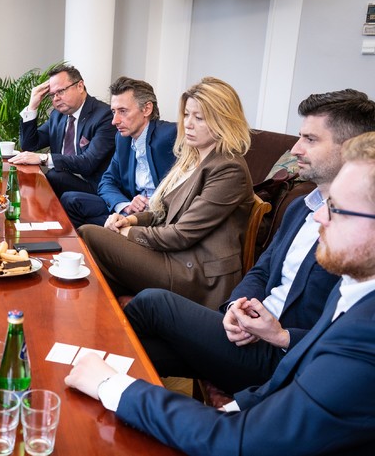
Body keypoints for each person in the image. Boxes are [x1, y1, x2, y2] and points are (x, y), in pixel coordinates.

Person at [66, 131, 375, 455]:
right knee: (145, 349)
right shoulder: (353, 286)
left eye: (338, 208)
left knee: (145, 315)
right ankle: (86, 375)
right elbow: (278, 381)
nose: (319, 216)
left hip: (254, 376)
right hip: (262, 353)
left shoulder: (363, 336)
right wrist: (235, 402)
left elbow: (240, 440)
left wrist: (114, 387)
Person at [124, 89, 375, 394]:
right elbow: (261, 270)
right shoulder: (301, 208)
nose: (295, 149)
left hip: (282, 356)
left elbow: (344, 331)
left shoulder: (360, 232)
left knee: (152, 302)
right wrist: (236, 306)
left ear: (350, 149)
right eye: (300, 137)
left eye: (310, 139)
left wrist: (282, 335)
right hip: (247, 334)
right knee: (144, 351)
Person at [79, 77, 253, 308]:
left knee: (89, 233)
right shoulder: (192, 159)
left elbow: (182, 234)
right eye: (186, 115)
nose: (188, 124)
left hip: (196, 274)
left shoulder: (229, 168)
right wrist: (129, 219)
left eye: (199, 117)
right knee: (98, 256)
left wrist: (127, 232)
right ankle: (110, 316)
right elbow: (163, 211)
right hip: (174, 258)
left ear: (223, 120)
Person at [61, 77, 176, 228]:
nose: (114, 121)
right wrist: (126, 206)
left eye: (123, 111)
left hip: (157, 218)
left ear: (147, 109)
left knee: (88, 229)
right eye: (114, 112)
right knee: (70, 200)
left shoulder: (170, 134)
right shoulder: (123, 139)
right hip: (130, 211)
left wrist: (153, 203)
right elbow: (107, 182)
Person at [9, 64, 115, 198]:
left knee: (53, 176)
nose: (56, 98)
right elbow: (29, 145)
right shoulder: (58, 115)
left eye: (61, 91)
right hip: (64, 179)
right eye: (52, 95)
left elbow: (88, 162)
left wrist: (43, 158)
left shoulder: (104, 116)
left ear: (80, 86)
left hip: (94, 185)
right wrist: (32, 106)